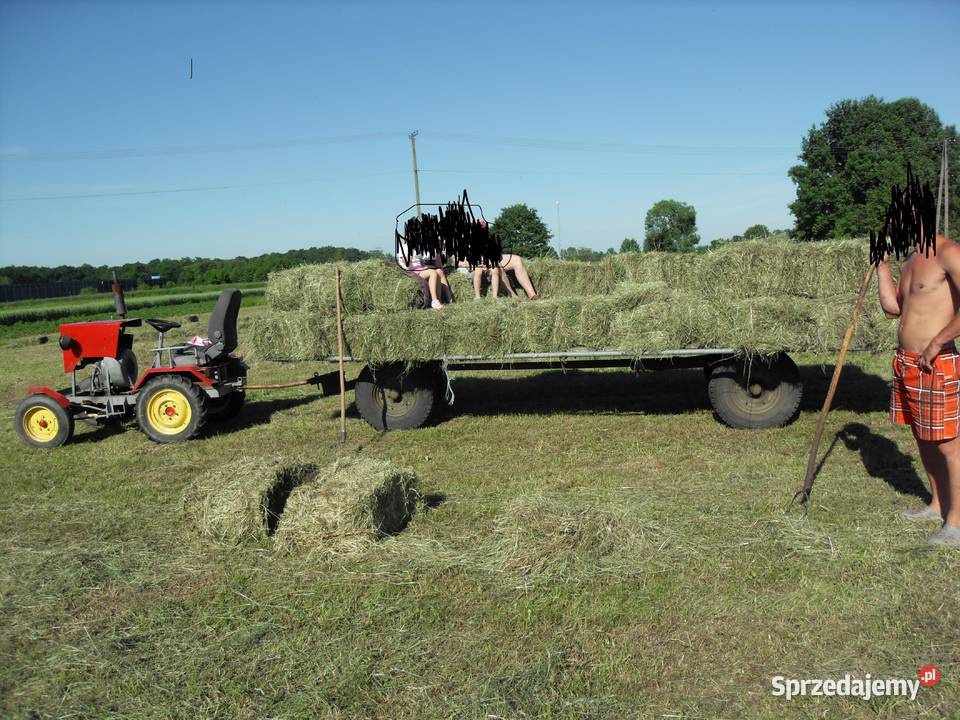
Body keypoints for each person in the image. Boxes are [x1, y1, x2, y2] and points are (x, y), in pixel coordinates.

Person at [878, 232, 960, 546]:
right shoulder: (911, 260)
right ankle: (937, 505)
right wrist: (882, 266)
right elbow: (893, 309)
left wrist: (938, 341)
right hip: (907, 363)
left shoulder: (948, 253)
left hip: (936, 364)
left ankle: (956, 523)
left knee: (949, 446)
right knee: (923, 439)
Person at [396, 239, 452, 309]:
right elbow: (407, 263)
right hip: (410, 270)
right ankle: (434, 300)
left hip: (419, 268)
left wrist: (438, 251)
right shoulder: (405, 247)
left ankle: (442, 301)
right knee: (433, 273)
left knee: (438, 272)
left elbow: (425, 263)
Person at [463, 253, 539, 300]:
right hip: (475, 267)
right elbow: (455, 260)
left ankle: (532, 294)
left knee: (517, 259)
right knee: (497, 265)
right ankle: (512, 295)